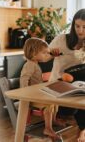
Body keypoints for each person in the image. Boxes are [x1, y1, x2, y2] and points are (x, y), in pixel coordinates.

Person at [48, 8, 85, 142]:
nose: (80, 30)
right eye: (77, 26)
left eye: (84, 27)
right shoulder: (61, 39)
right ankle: (82, 129)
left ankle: (83, 130)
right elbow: (44, 56)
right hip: (57, 87)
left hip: (77, 88)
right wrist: (51, 53)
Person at [20, 37, 60, 139]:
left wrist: (52, 55)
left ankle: (53, 120)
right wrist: (25, 95)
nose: (46, 55)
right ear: (34, 53)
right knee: (48, 104)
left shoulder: (34, 63)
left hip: (37, 95)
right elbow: (24, 79)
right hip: (31, 98)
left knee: (55, 100)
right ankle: (48, 128)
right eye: (44, 53)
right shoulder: (29, 65)